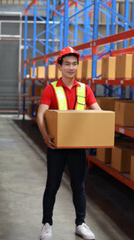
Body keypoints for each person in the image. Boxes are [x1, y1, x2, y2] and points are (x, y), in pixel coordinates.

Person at [36, 46, 101, 240]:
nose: (71, 68)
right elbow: (40, 115)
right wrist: (46, 137)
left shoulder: (85, 89)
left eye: (74, 64)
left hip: (77, 147)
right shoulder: (51, 89)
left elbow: (98, 112)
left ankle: (80, 223)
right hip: (57, 147)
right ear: (60, 67)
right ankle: (47, 223)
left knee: (78, 186)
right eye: (67, 64)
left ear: (77, 66)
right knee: (52, 185)